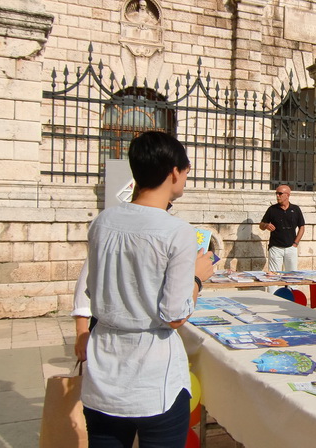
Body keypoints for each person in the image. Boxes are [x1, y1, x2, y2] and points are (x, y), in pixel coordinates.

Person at [74, 131, 215, 448]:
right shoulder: (176, 231)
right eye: (186, 173)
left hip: (104, 371)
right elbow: (175, 316)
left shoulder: (102, 222)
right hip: (153, 379)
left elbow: (92, 286)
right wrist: (196, 277)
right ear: (174, 171)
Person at [260, 185, 305, 273]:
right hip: (275, 248)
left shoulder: (295, 209)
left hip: (291, 247)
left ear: (287, 195)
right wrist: (266, 225)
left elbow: (302, 227)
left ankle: (290, 288)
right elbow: (261, 225)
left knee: (292, 276)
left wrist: (295, 243)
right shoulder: (272, 209)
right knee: (273, 276)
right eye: (276, 193)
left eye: (280, 193)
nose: (277, 196)